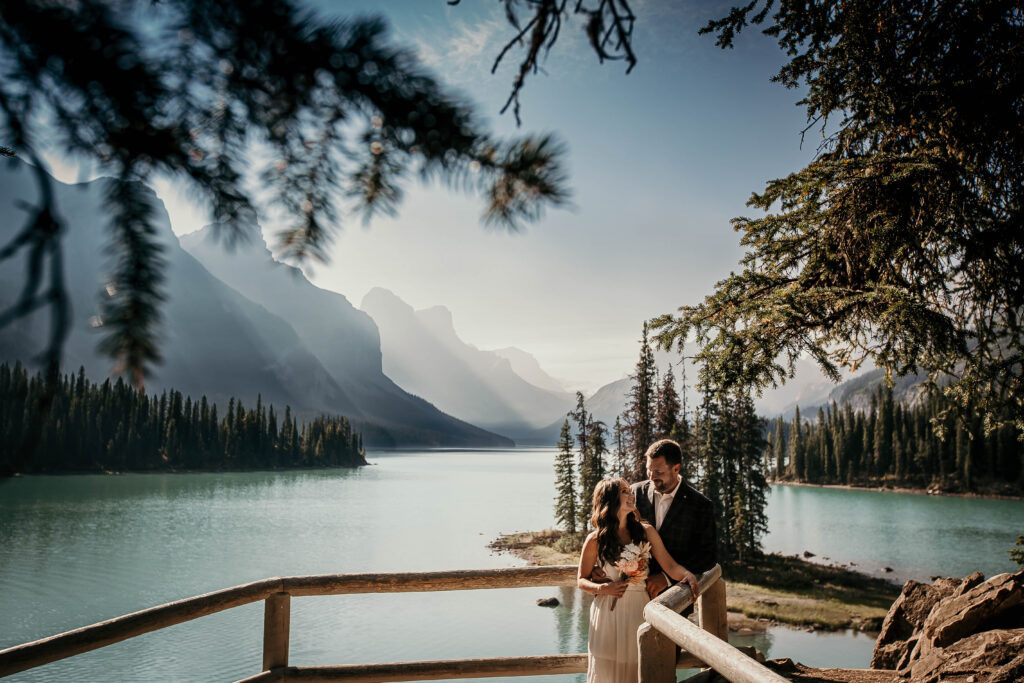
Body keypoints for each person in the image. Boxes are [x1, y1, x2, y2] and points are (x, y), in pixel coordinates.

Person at [577, 477, 699, 683]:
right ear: (610, 499)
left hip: (638, 611)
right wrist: (603, 588)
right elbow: (581, 580)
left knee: (638, 666)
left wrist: (687, 575)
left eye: (629, 491)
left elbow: (669, 566)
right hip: (607, 613)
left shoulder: (645, 531)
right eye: (624, 492)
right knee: (607, 670)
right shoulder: (595, 539)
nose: (631, 495)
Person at [632, 439, 717, 600]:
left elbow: (707, 556)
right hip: (633, 594)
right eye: (649, 470)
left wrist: (667, 578)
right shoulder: (634, 493)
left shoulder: (700, 505)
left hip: (675, 596)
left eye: (658, 472)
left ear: (676, 468)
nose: (652, 477)